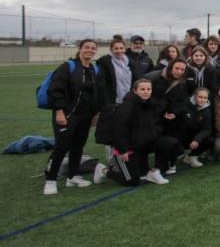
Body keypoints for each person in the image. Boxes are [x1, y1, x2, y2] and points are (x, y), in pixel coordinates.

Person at [94, 78, 181, 187]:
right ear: (135, 91)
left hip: (143, 144)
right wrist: (122, 150)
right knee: (132, 181)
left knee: (170, 143)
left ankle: (154, 172)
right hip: (127, 148)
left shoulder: (150, 104)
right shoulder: (128, 106)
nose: (146, 92)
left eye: (148, 89)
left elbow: (153, 124)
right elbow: (119, 129)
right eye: (142, 89)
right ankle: (103, 170)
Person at [43, 39, 102, 195]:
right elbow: (54, 90)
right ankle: (51, 179)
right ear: (80, 49)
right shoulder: (68, 67)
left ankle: (73, 176)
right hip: (67, 114)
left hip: (85, 115)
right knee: (62, 147)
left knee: (78, 146)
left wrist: (95, 113)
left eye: (93, 48)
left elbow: (95, 94)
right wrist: (59, 111)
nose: (90, 50)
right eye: (86, 47)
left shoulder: (94, 69)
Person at [95, 36, 136, 159]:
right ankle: (111, 157)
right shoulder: (105, 62)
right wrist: (106, 103)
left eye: (121, 48)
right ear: (111, 49)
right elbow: (102, 84)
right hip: (113, 102)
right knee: (112, 130)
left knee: (125, 129)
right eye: (116, 48)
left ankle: (124, 153)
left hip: (127, 101)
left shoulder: (128, 61)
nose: (119, 51)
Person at [179, 86, 212, 167]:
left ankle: (192, 156)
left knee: (210, 140)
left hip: (196, 137)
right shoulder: (186, 104)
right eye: (200, 97)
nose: (202, 100)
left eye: (205, 98)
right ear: (195, 96)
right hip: (183, 135)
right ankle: (180, 155)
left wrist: (197, 139)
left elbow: (207, 129)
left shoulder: (207, 110)